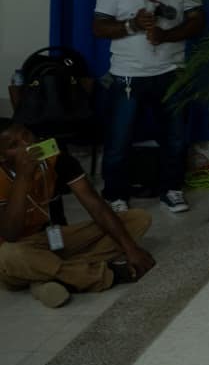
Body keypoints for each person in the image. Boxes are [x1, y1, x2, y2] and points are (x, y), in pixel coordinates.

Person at [91, 0, 205, 215]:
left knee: (175, 138)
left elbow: (197, 21)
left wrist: (166, 35)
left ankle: (172, 190)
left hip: (172, 72)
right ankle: (115, 194)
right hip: (128, 74)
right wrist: (132, 25)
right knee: (119, 139)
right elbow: (99, 27)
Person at [0, 119, 155, 308]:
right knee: (9, 254)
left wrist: (131, 249)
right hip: (15, 252)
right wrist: (23, 177)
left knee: (138, 218)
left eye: (26, 136)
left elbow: (95, 206)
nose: (27, 145)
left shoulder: (56, 159)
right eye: (14, 145)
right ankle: (105, 275)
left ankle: (49, 277)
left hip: (53, 240)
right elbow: (10, 234)